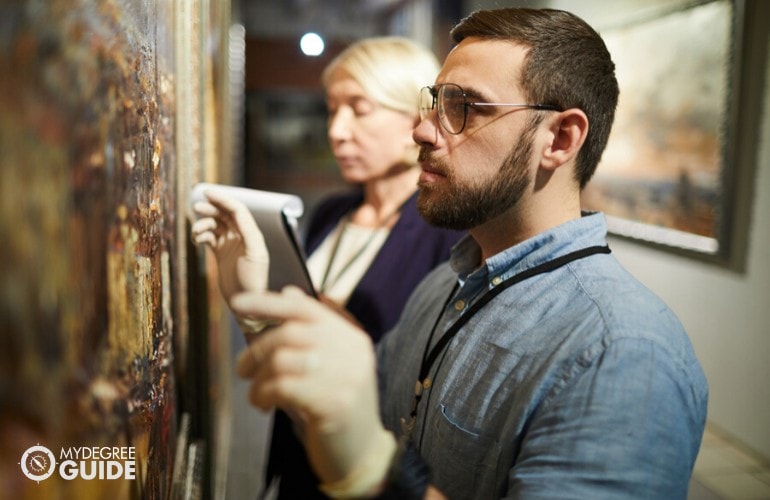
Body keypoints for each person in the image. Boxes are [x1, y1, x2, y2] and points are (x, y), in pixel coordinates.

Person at [196, 7, 708, 499]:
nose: (422, 130)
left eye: (464, 107)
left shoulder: (623, 353)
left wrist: (375, 471)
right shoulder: (447, 284)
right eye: (435, 101)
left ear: (560, 139)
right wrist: (254, 302)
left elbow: (360, 441)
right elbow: (337, 398)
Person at [194, 37, 463, 499]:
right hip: (298, 457)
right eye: (332, 109)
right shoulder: (331, 212)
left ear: (415, 117)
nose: (336, 130)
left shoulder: (448, 238)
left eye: (359, 109)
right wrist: (250, 302)